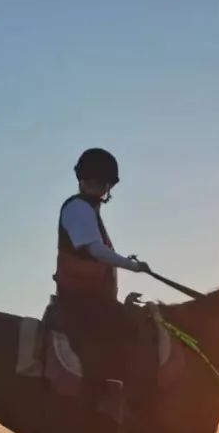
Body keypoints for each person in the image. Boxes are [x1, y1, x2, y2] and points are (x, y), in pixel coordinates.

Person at [53, 147, 151, 396]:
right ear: (82, 180)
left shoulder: (89, 210)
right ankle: (100, 395)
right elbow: (94, 250)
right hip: (82, 302)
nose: (95, 186)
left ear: (108, 185)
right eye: (90, 180)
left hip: (94, 299)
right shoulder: (78, 208)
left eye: (100, 182)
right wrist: (133, 266)